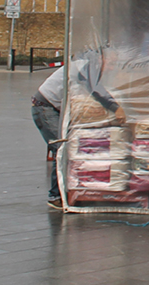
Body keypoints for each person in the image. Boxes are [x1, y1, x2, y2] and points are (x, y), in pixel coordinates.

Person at [31, 49, 126, 208]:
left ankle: (71, 189)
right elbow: (94, 89)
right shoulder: (86, 67)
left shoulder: (88, 67)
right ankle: (55, 196)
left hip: (54, 109)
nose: (111, 68)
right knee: (62, 148)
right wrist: (115, 107)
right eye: (111, 63)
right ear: (102, 58)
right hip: (45, 108)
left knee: (68, 147)